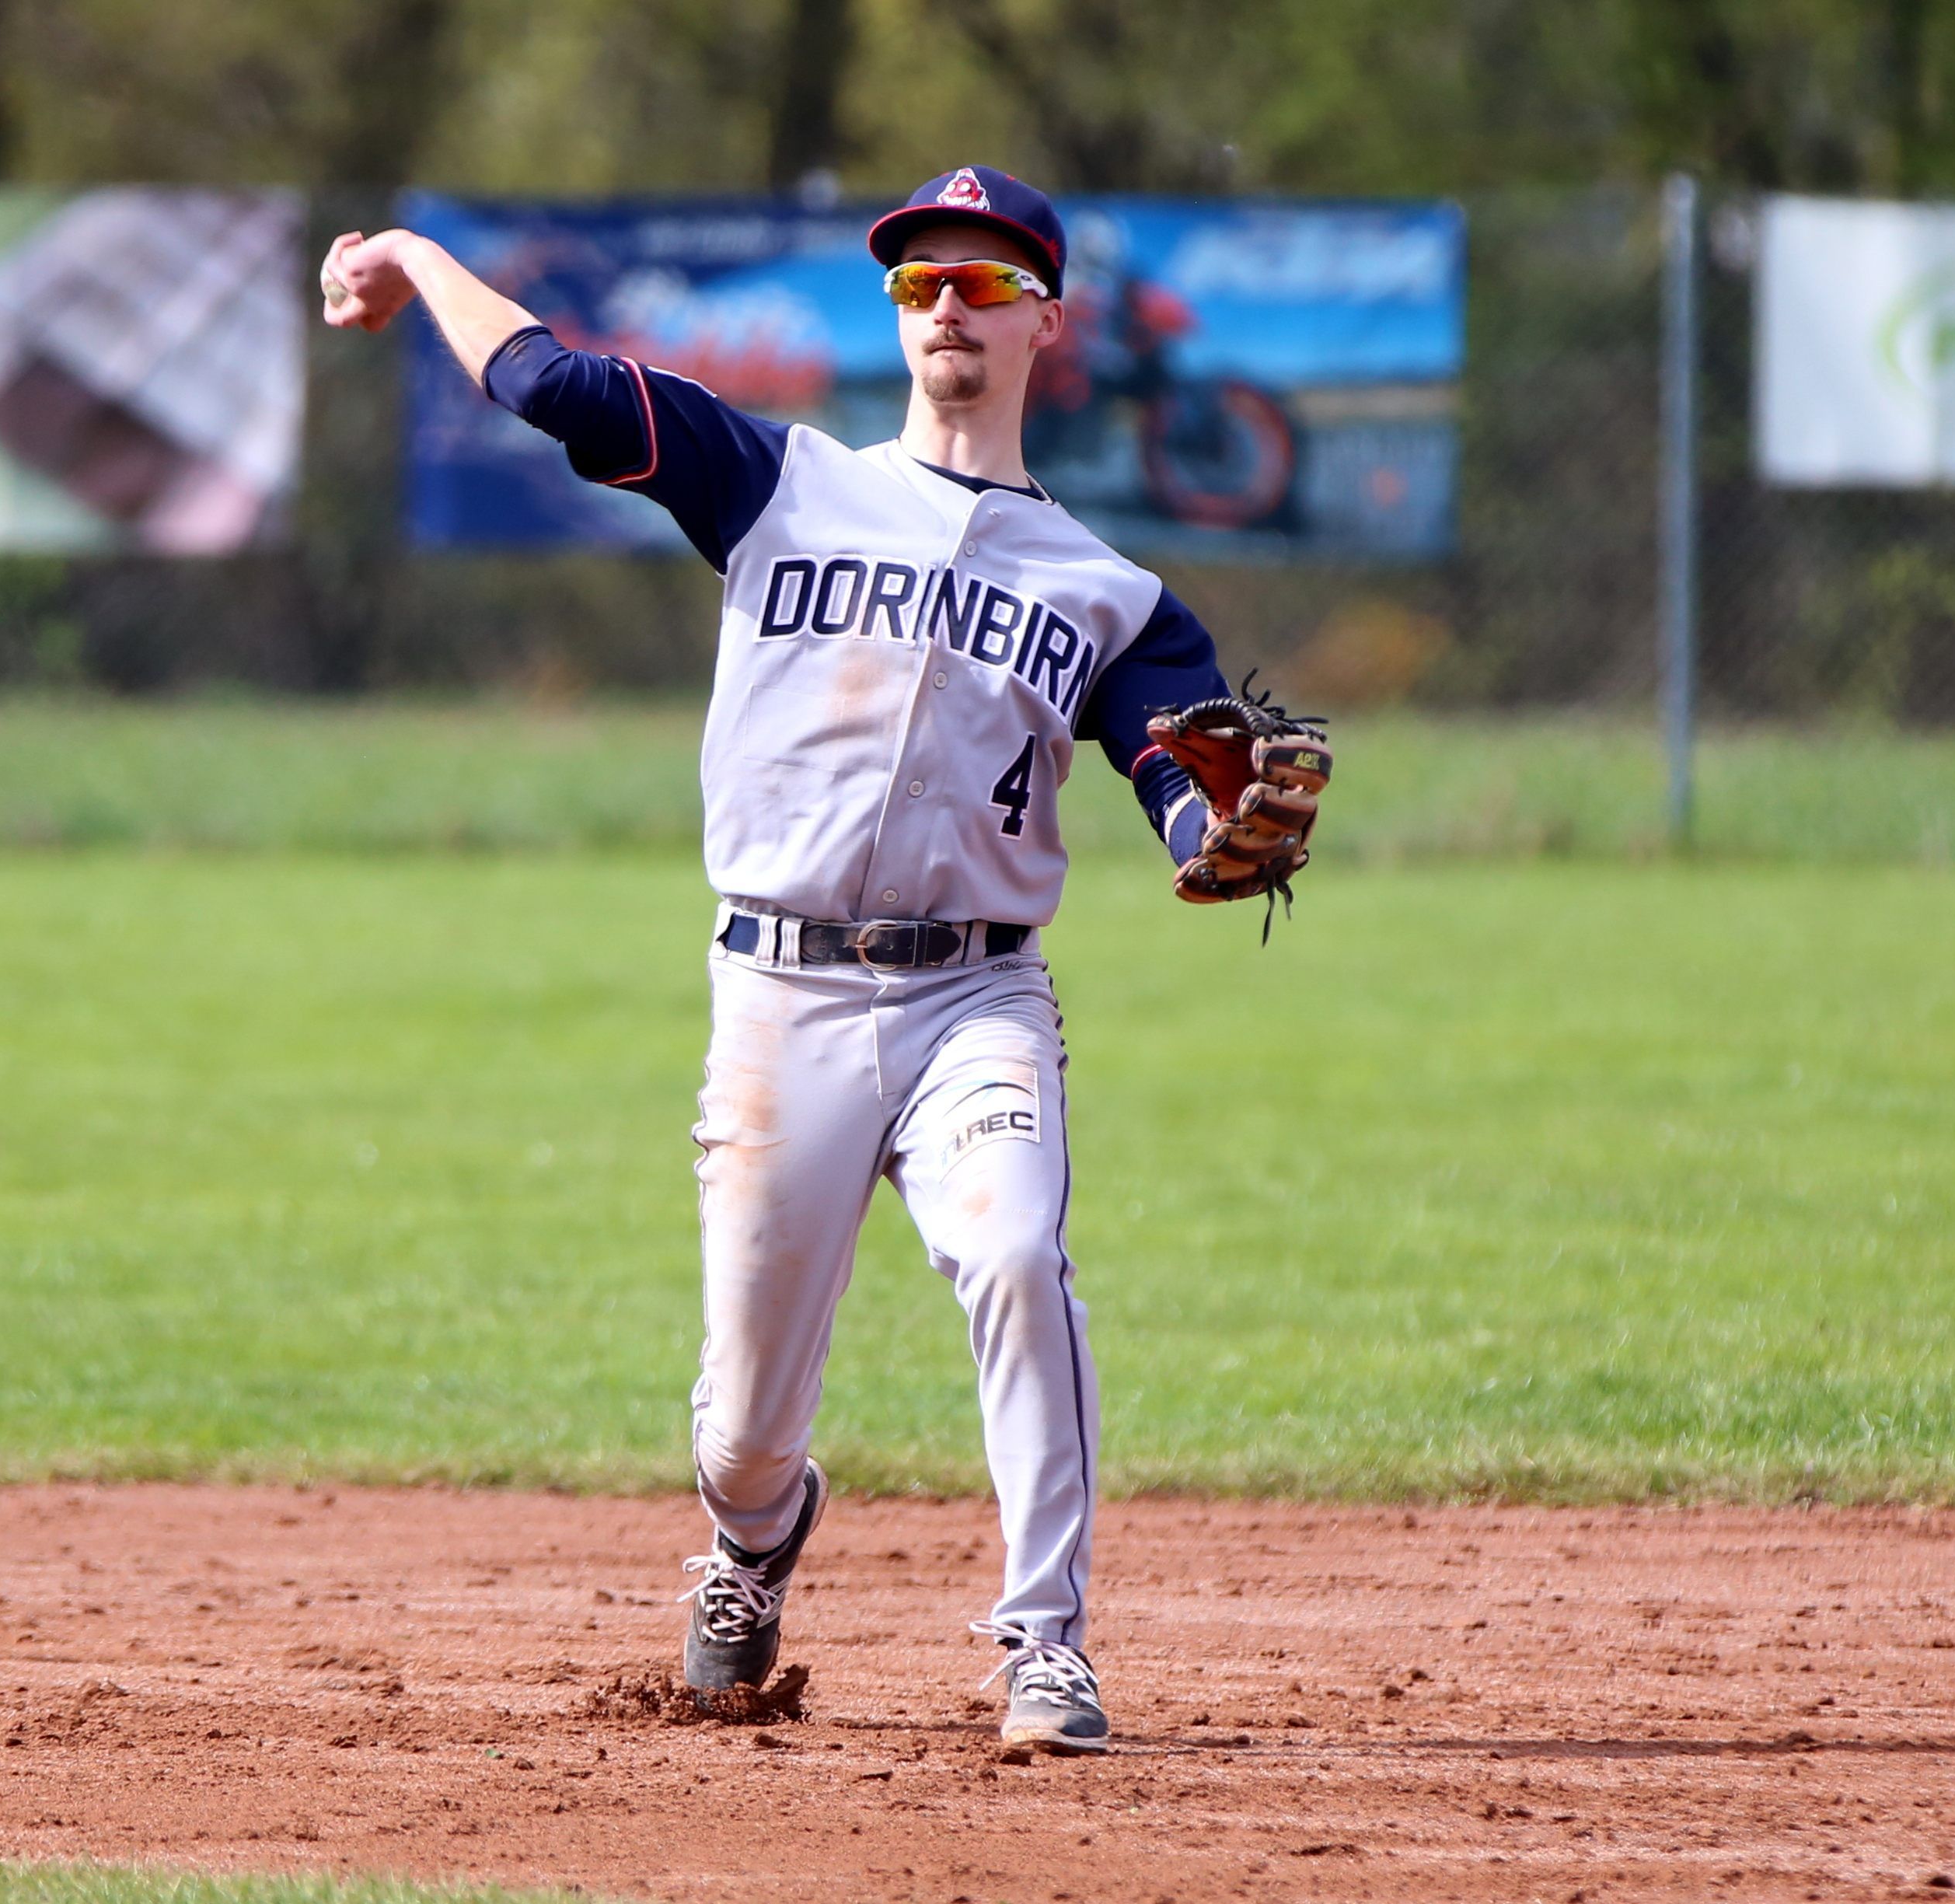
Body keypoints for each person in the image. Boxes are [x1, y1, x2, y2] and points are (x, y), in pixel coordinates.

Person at [322, 165, 1264, 1756]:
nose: (947, 305)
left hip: (977, 994)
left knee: (1018, 1253)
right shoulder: (781, 482)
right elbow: (549, 379)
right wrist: (415, 254)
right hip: (781, 995)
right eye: (916, 284)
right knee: (742, 1428)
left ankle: (1045, 1644)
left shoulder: (1111, 594)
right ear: (895, 320)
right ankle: (755, 1542)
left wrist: (1214, 841)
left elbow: (1182, 779)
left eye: (978, 279)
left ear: (1047, 317)